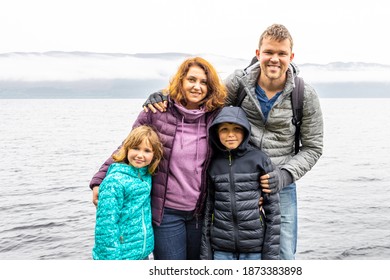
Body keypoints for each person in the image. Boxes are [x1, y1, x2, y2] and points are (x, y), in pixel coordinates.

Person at [143, 24, 324, 260]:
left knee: (283, 254)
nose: (274, 59)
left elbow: (313, 147)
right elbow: (203, 101)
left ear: (291, 56)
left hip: (279, 184)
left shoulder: (304, 95)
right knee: (223, 251)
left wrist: (284, 176)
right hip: (233, 178)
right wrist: (165, 94)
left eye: (281, 54)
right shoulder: (239, 83)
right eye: (269, 52)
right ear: (258, 54)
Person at [90, 57, 227, 259]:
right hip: (166, 213)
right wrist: (98, 180)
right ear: (181, 81)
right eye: (191, 80)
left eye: (204, 82)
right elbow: (128, 146)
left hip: (200, 212)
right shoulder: (157, 111)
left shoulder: (215, 116)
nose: (197, 86)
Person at [200, 106, 280, 260]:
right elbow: (208, 210)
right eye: (224, 129)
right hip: (222, 248)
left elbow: (274, 214)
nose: (231, 135)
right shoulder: (213, 163)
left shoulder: (259, 159)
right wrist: (206, 255)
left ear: (245, 131)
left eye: (237, 128)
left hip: (254, 248)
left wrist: (270, 257)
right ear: (216, 133)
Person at [92, 125, 163, 260]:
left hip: (142, 253)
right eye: (136, 148)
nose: (140, 155)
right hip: (120, 255)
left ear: (154, 155)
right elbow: (106, 225)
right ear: (127, 149)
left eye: (147, 150)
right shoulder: (114, 182)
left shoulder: (146, 176)